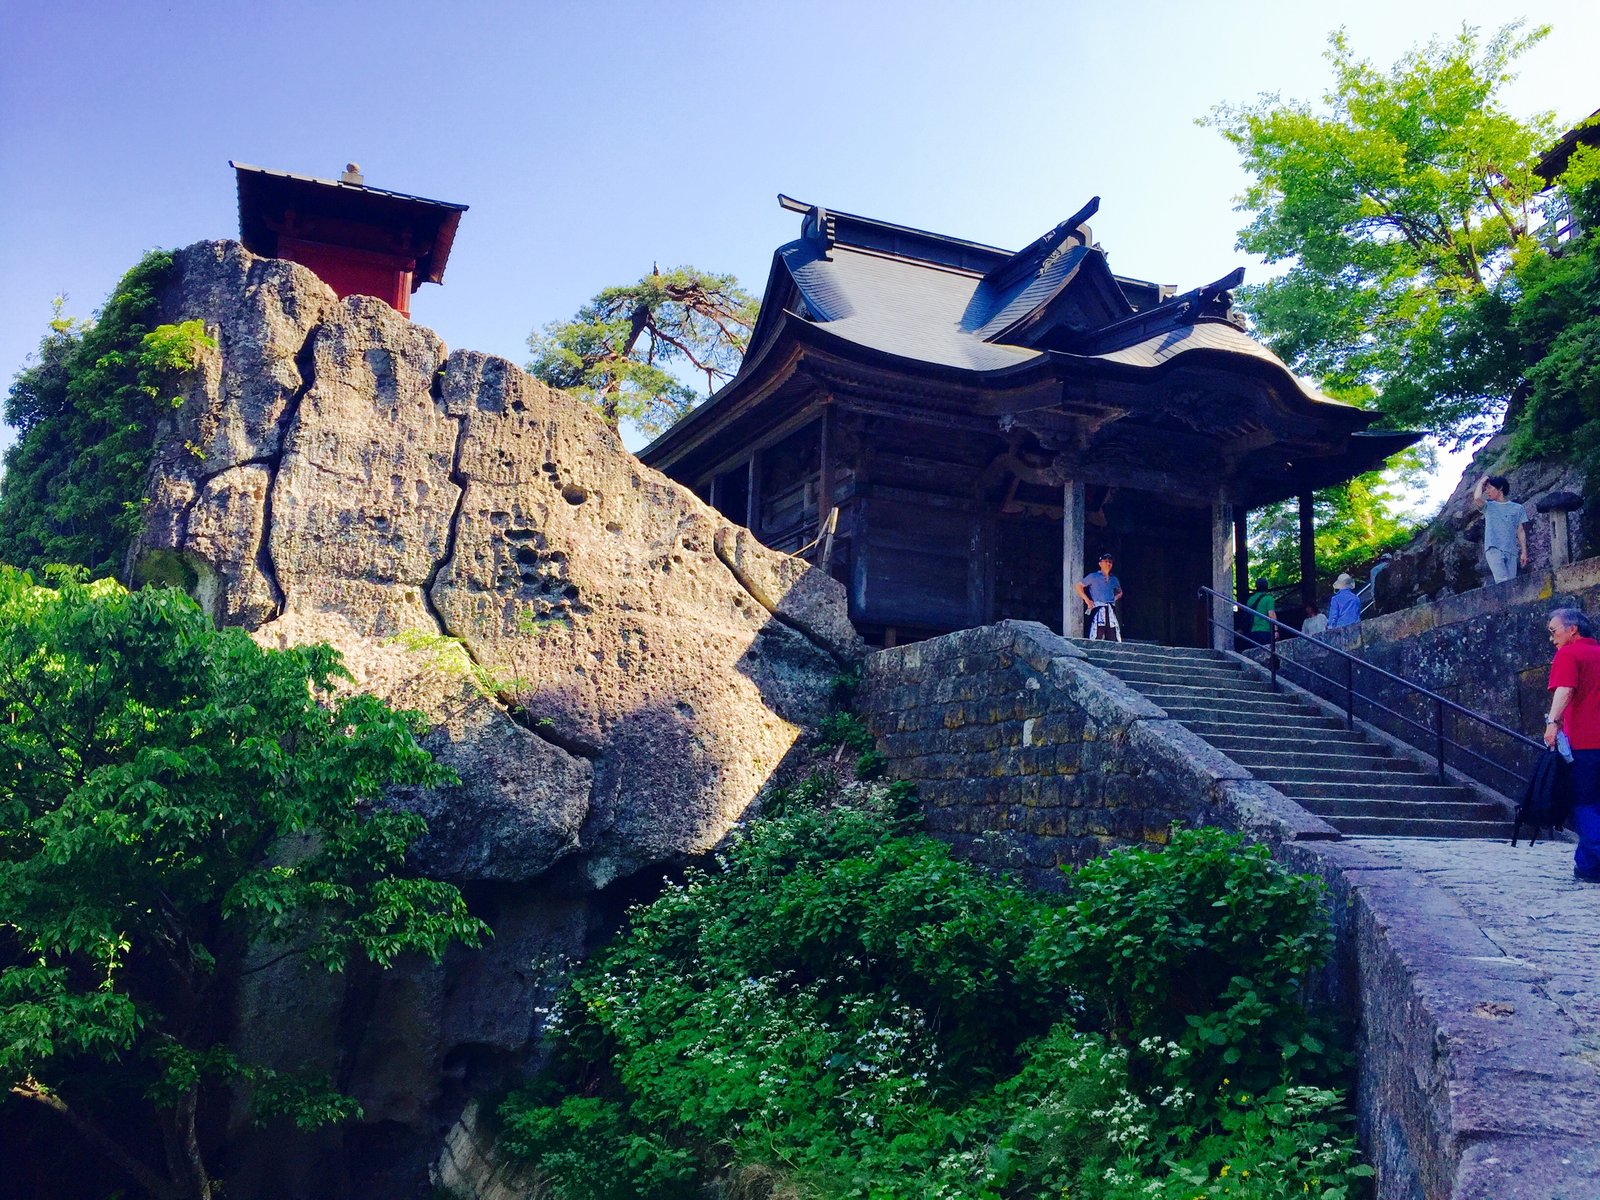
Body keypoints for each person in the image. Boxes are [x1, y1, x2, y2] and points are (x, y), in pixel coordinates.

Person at [1544, 607, 1600, 882]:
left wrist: (1552, 722)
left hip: (1586, 742)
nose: (1552, 639)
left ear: (1572, 629)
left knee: (1583, 803)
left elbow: (1565, 689)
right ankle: (1588, 867)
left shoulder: (1569, 654)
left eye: (1554, 631)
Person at [1473, 473, 1529, 584]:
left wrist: (1524, 552)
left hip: (1511, 550)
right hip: (1493, 548)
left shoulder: (1518, 508)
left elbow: (1520, 530)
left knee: (1512, 583)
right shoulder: (1488, 506)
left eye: (1489, 488)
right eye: (1486, 489)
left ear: (1500, 488)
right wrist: (1481, 482)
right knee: (1502, 581)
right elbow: (1477, 498)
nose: (1487, 492)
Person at [1074, 552, 1123, 640]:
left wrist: (1114, 599)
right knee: (1097, 633)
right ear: (1100, 563)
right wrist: (1087, 600)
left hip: (1110, 609)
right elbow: (1078, 586)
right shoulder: (1093, 576)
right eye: (1106, 561)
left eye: (1110, 562)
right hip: (1098, 608)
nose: (1108, 563)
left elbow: (1120, 592)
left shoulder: (1114, 579)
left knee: (1113, 634)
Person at [1243, 580, 1276, 647]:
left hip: (1253, 631)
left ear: (1256, 587)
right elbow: (1271, 615)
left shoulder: (1250, 599)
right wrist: (1276, 631)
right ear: (1267, 586)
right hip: (1265, 630)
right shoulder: (1269, 599)